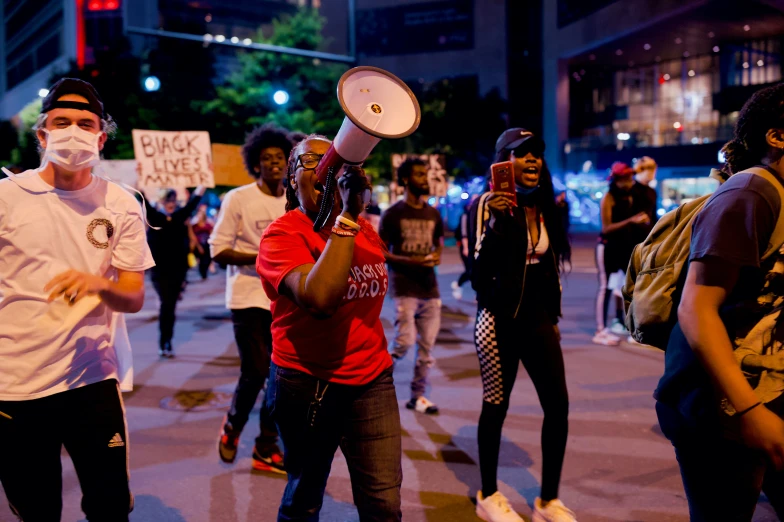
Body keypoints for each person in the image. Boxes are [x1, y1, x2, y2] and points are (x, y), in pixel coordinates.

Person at [0, 78, 154, 521]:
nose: (73, 131)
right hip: (16, 386)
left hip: (91, 381)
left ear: (101, 137)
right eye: (61, 122)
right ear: (41, 134)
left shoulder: (121, 203)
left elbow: (132, 295)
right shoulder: (7, 199)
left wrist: (98, 285)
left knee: (110, 507)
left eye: (85, 123)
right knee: (37, 509)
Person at [655, 84, 784, 521]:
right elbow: (695, 308)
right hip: (719, 408)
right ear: (777, 136)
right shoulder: (749, 194)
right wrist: (751, 411)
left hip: (768, 394)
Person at [257, 135, 401, 521]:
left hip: (372, 380)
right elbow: (320, 299)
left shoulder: (367, 231)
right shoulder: (282, 234)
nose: (326, 167)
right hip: (308, 384)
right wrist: (347, 220)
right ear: (291, 180)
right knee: (305, 498)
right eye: (313, 162)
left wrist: (353, 220)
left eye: (337, 161)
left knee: (384, 506)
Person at [471, 128, 575, 522]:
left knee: (559, 407)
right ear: (502, 162)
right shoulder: (487, 205)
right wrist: (498, 223)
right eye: (521, 154)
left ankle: (548, 500)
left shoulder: (546, 206)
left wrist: (554, 317)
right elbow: (478, 276)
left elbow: (550, 269)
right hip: (497, 323)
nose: (532, 160)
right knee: (496, 406)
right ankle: (488, 494)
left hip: (538, 322)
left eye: (536, 154)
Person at [210, 123, 291, 473]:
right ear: (255, 164)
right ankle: (232, 427)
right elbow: (217, 250)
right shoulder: (238, 199)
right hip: (247, 298)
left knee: (282, 376)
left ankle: (266, 445)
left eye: (280, 157)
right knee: (256, 371)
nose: (274, 163)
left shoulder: (296, 200)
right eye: (266, 158)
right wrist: (262, 257)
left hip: (286, 300)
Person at [380, 158, 444, 415]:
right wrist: (409, 260)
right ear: (405, 180)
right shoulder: (393, 213)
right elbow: (381, 251)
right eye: (418, 174)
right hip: (404, 288)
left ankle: (417, 396)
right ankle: (376, 387)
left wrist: (437, 254)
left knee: (427, 349)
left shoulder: (433, 213)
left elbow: (438, 240)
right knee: (403, 343)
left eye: (425, 174)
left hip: (430, 288)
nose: (424, 179)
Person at [592, 162, 654, 346]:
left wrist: (640, 221)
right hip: (607, 247)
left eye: (630, 177)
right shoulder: (608, 197)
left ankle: (624, 324)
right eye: (626, 177)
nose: (629, 180)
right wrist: (631, 221)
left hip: (623, 247)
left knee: (625, 286)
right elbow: (606, 228)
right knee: (606, 288)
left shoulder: (630, 195)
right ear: (617, 180)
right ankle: (600, 330)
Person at [145, 186, 205, 357]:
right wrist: (139, 186)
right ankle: (165, 342)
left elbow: (192, 203)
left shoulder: (180, 217)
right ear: (162, 202)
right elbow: (144, 203)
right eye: (167, 200)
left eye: (172, 200)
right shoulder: (155, 218)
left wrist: (202, 186)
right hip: (159, 271)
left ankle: (166, 342)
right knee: (167, 304)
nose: (170, 204)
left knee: (169, 305)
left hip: (178, 271)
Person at [452, 195, 477, 300]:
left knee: (477, 271)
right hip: (466, 247)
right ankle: (457, 284)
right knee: (470, 271)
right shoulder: (465, 216)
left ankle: (478, 294)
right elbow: (464, 233)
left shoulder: (477, 215)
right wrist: (465, 248)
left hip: (475, 246)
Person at [190, 204, 215, 280]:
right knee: (201, 260)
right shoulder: (195, 224)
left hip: (207, 243)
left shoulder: (208, 223)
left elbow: (212, 232)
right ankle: (203, 274)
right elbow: (192, 234)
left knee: (208, 259)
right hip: (199, 244)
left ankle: (205, 272)